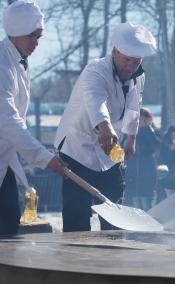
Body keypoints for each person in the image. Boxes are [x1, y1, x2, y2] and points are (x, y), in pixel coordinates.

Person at [54, 23, 156, 232]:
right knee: (78, 212)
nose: (130, 66)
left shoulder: (139, 76)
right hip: (77, 147)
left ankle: (113, 251)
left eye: (136, 61)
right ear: (114, 52)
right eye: (126, 59)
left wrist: (131, 138)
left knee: (114, 205)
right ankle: (75, 258)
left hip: (110, 151)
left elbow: (134, 107)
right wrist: (105, 126)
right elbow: (95, 100)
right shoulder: (95, 70)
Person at [0, 1, 67, 235]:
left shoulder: (17, 59)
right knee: (6, 222)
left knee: (8, 222)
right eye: (32, 36)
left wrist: (39, 151)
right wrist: (41, 156)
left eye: (39, 37)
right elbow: (6, 118)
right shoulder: (1, 63)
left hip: (5, 158)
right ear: (16, 33)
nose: (36, 43)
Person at [125, 107, 161, 210]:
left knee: (147, 203)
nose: (140, 121)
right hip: (132, 172)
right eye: (139, 118)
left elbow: (155, 145)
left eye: (143, 119)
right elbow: (123, 146)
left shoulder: (153, 131)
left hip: (148, 172)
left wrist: (147, 128)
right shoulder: (130, 130)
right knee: (134, 204)